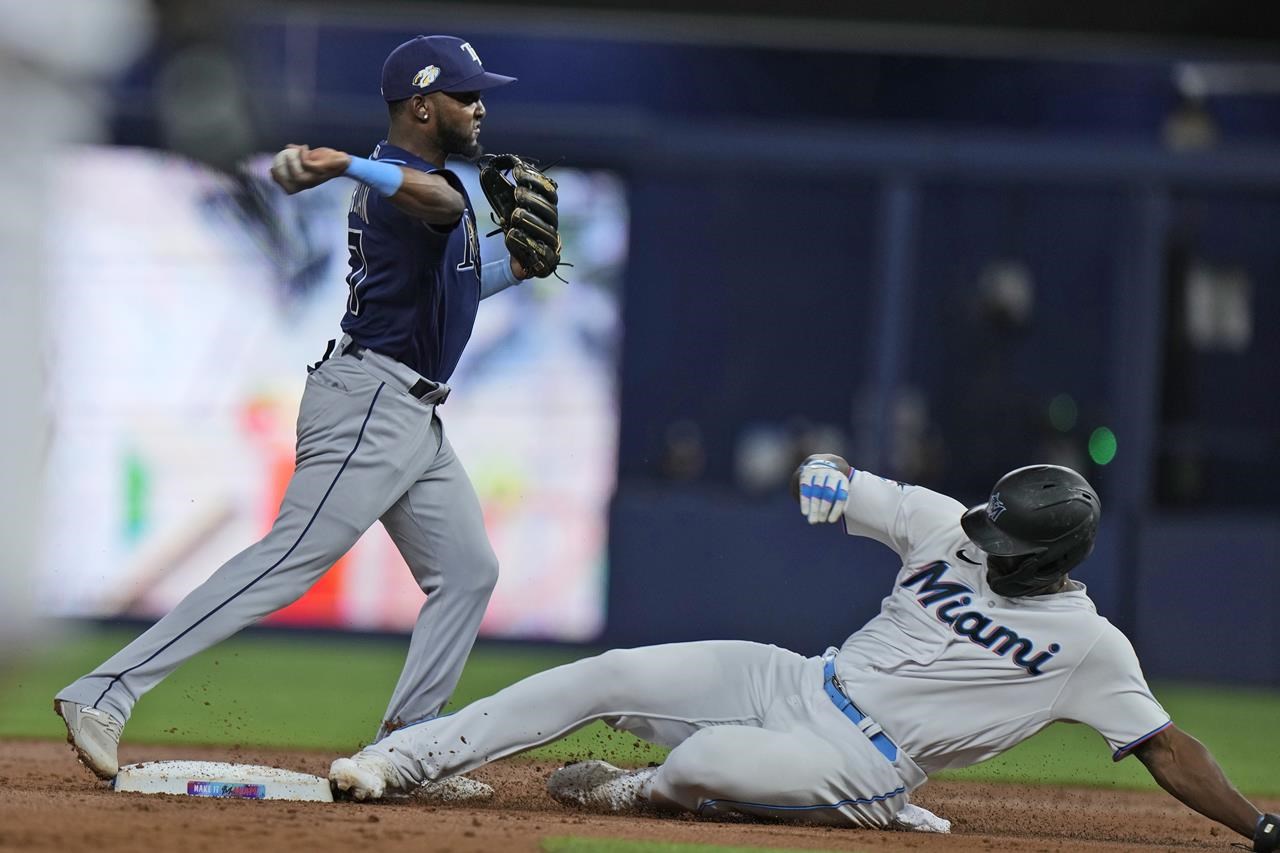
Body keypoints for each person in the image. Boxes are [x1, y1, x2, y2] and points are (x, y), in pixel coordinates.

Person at [53, 35, 546, 802]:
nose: (480, 107)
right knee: (290, 559)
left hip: (412, 414)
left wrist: (515, 269)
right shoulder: (410, 185)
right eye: (466, 94)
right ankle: (105, 689)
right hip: (371, 403)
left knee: (469, 571)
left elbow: (452, 289)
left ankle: (406, 746)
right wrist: (346, 162)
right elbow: (442, 203)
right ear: (421, 105)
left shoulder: (419, 188)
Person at [328, 457, 1280, 850]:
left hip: (864, 761)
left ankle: (643, 791)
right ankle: (405, 757)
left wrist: (1260, 826)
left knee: (699, 760)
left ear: (1051, 559)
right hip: (799, 677)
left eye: (1002, 543)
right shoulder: (950, 524)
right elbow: (846, 481)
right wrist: (825, 477)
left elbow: (1167, 746)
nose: (980, 542)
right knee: (606, 672)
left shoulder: (1090, 648)